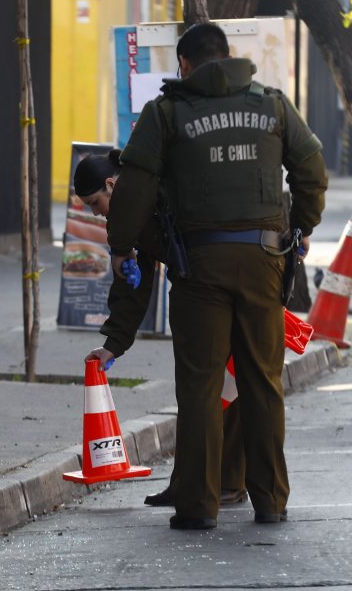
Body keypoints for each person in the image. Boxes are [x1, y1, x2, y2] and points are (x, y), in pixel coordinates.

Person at [107, 23, 327, 530]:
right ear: (228, 57)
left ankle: (198, 506)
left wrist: (122, 248)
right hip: (264, 264)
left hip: (199, 269)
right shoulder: (272, 105)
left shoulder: (166, 114)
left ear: (184, 64)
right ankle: (270, 500)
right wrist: (301, 226)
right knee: (262, 382)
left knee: (202, 386)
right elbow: (312, 170)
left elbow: (134, 193)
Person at [76, 150, 250, 509]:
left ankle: (231, 481)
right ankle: (188, 482)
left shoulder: (165, 184)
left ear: (112, 184)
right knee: (194, 389)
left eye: (96, 202)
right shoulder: (125, 216)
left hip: (231, 280)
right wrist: (113, 344)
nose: (96, 212)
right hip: (195, 290)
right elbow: (132, 283)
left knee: (231, 386)